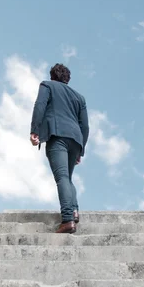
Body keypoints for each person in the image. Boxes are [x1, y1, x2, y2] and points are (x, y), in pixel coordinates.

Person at [30, 63, 89, 234]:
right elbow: (85, 126)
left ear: (52, 76)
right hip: (76, 139)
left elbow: (40, 105)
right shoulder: (80, 97)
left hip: (57, 136)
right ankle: (74, 210)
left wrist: (35, 130)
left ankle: (68, 219)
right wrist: (81, 150)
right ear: (67, 79)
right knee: (68, 178)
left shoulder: (47, 85)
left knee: (62, 177)